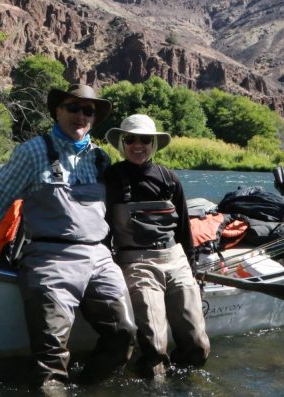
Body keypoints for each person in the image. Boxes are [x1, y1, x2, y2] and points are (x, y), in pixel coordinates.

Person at [0, 84, 135, 390]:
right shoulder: (32, 151)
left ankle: (85, 386)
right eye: (72, 107)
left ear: (94, 118)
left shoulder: (100, 159)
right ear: (57, 111)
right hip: (49, 258)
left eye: (88, 111)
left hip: (100, 258)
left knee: (124, 334)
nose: (80, 116)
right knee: (50, 357)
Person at [102, 114, 210, 378]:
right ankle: (153, 384)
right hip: (136, 263)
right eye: (131, 139)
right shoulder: (110, 179)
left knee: (198, 344)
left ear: (154, 144)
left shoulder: (170, 179)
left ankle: (186, 384)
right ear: (122, 143)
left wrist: (193, 270)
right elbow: (102, 229)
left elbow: (184, 229)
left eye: (145, 140)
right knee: (155, 346)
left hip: (176, 259)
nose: (138, 145)